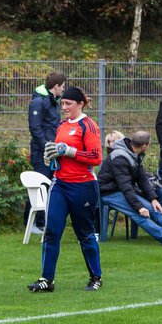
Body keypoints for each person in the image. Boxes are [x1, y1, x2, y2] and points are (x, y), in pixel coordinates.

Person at [27, 86, 103, 292]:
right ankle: (46, 279)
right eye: (62, 103)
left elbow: (96, 157)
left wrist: (69, 151)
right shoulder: (61, 126)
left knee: (85, 234)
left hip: (83, 186)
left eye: (68, 104)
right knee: (51, 232)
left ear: (80, 104)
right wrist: (53, 157)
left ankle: (96, 276)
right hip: (60, 184)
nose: (64, 107)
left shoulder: (89, 126)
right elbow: (60, 152)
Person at [97, 131, 162, 246]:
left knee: (155, 209)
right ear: (144, 146)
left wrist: (153, 199)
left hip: (122, 191)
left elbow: (142, 179)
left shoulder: (134, 154)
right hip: (109, 192)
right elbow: (125, 185)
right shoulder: (120, 157)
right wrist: (139, 207)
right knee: (139, 214)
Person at [28, 71, 66, 178]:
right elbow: (35, 127)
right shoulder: (38, 102)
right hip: (41, 154)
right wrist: (46, 147)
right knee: (42, 185)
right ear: (56, 87)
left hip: (52, 151)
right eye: (62, 86)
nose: (63, 89)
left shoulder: (53, 102)